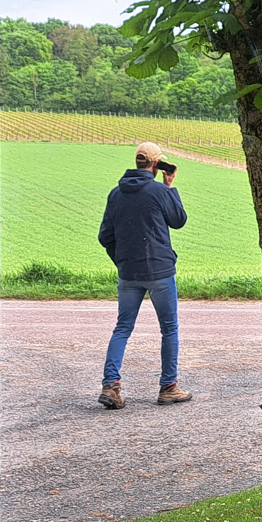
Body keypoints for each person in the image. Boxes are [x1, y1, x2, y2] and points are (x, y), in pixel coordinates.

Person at [96, 141, 191, 409]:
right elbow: (178, 220)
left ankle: (111, 386)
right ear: (156, 164)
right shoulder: (160, 191)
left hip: (128, 272)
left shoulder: (116, 194)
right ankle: (168, 387)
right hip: (160, 271)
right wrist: (170, 185)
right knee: (169, 328)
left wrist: (122, 261)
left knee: (123, 328)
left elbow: (105, 236)